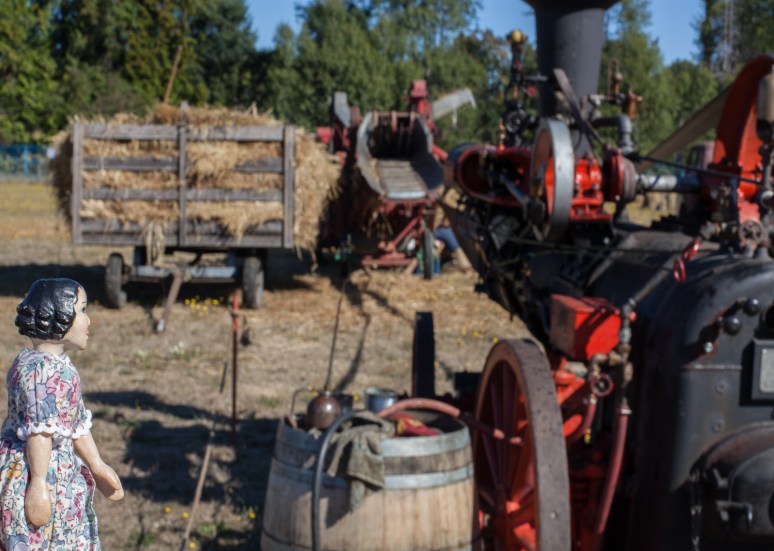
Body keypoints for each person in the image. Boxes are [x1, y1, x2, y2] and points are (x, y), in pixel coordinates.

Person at [1, 278, 123, 550]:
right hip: (37, 472)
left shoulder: (54, 366)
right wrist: (39, 485)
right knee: (43, 538)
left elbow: (75, 424)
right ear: (59, 315)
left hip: (57, 469)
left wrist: (97, 465)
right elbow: (40, 432)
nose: (89, 321)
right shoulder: (43, 372)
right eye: (81, 310)